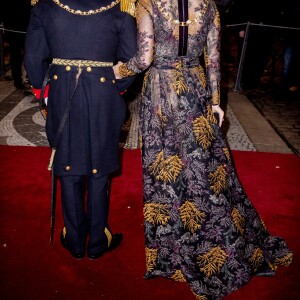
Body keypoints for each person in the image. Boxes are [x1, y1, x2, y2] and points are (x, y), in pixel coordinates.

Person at [113, 0, 292, 298]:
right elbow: (213, 58)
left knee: (166, 167)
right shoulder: (208, 5)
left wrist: (120, 70)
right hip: (195, 88)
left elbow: (144, 59)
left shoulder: (147, 4)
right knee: (204, 166)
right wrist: (215, 102)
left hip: (162, 94)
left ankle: (173, 247)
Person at [24, 0, 137, 259]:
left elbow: (33, 57)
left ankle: (74, 240)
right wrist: (114, 89)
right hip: (103, 92)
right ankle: (97, 241)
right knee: (99, 164)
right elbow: (133, 57)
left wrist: (45, 94)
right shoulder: (120, 6)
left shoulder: (45, 6)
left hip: (61, 90)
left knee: (67, 162)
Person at [0, 0, 31, 89]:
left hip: (22, 27)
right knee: (17, 55)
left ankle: (26, 78)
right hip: (16, 27)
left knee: (23, 54)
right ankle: (18, 80)